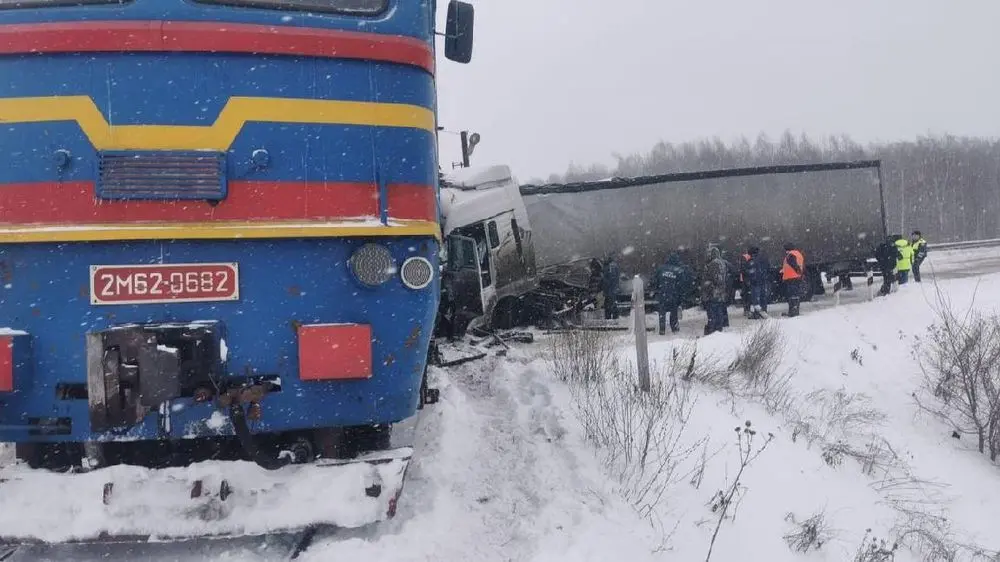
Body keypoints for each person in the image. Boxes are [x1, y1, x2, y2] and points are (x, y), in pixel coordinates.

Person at [651, 252, 692, 335]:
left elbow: (654, 281)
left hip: (662, 294)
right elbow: (682, 285)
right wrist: (681, 297)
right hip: (674, 295)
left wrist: (657, 290)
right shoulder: (679, 271)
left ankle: (662, 329)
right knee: (673, 312)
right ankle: (674, 328)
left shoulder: (661, 269)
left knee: (662, 312)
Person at [701, 246, 729, 335]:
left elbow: (713, 278)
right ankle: (719, 328)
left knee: (712, 312)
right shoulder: (723, 263)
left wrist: (707, 284)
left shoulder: (713, 264)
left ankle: (712, 330)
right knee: (719, 311)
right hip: (721, 292)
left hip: (713, 292)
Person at [745, 246, 771, 319]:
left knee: (756, 299)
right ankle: (764, 312)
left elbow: (750, 272)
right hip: (763, 281)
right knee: (763, 297)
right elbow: (768, 268)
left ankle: (757, 314)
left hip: (755, 282)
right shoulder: (764, 259)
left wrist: (750, 280)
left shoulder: (751, 261)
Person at [781, 243, 805, 318]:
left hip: (791, 278)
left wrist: (797, 271)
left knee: (792, 295)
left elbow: (793, 264)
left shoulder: (790, 255)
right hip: (796, 277)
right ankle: (794, 310)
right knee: (795, 294)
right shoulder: (798, 254)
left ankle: (793, 311)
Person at [738, 249, 753, 317]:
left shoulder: (744, 257)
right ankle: (747, 309)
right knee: (747, 294)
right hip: (746, 279)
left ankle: (746, 309)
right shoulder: (747, 257)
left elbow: (742, 268)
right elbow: (744, 269)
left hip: (744, 279)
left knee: (746, 295)